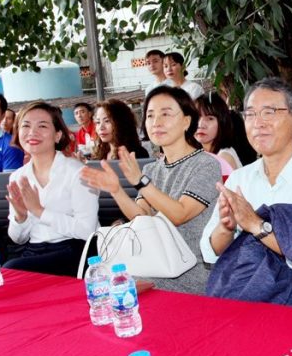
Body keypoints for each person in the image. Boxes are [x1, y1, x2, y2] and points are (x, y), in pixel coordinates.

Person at [83, 86, 220, 294]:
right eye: (150, 115)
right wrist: (116, 190)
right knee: (103, 290)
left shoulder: (206, 165)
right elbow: (141, 217)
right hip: (152, 265)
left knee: (118, 295)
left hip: (189, 272)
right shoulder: (151, 169)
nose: (156, 122)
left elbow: (180, 214)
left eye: (166, 114)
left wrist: (141, 182)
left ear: (187, 121)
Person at [201, 77, 292, 268]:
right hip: (245, 283)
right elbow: (210, 253)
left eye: (269, 112)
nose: (258, 123)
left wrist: (256, 225)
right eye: (250, 114)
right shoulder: (239, 180)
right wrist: (226, 228)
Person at [2, 102, 99, 275]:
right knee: (6, 274)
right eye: (26, 125)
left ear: (57, 135)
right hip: (34, 251)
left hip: (75, 249)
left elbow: (87, 230)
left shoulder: (78, 172)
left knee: (11, 271)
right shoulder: (17, 177)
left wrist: (39, 211)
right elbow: (18, 239)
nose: (32, 132)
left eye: (42, 126)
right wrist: (21, 217)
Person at [195, 91, 243, 169]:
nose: (201, 125)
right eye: (197, 117)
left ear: (222, 122)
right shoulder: (200, 153)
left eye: (210, 119)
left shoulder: (223, 158)